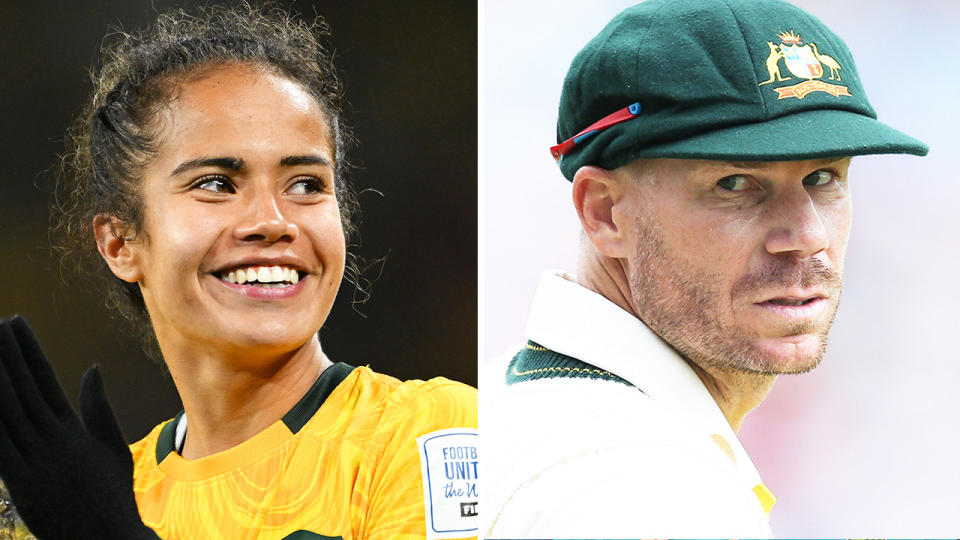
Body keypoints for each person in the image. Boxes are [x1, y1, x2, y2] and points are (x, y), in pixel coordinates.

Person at [0, 4, 477, 539]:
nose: (273, 222)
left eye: (305, 185)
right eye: (216, 184)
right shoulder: (81, 501)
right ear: (120, 242)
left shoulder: (430, 435)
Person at [482, 0, 927, 537]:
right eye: (735, 183)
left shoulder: (522, 400)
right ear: (605, 212)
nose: (807, 237)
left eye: (823, 177)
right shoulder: (645, 492)